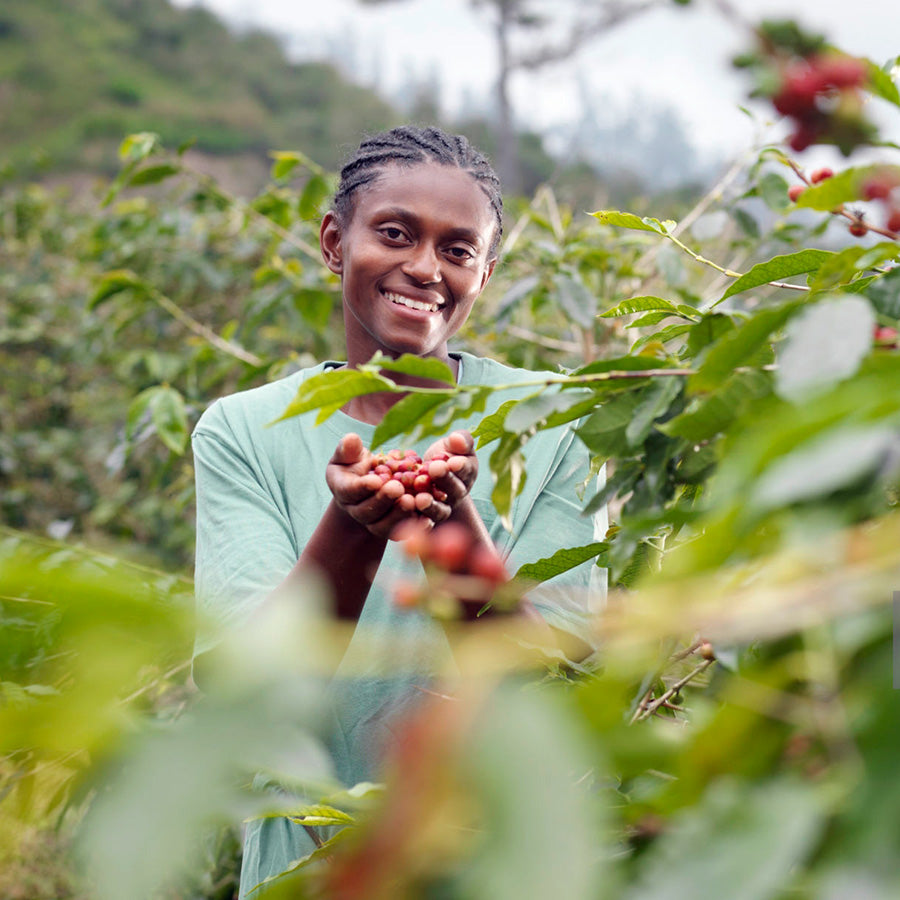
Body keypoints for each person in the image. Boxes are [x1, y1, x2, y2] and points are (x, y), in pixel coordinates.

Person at [191, 125, 607, 896]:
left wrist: (449, 528)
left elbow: (560, 665)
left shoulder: (554, 419)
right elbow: (245, 676)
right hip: (312, 867)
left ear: (485, 272)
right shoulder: (243, 430)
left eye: (458, 250)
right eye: (394, 234)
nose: (424, 268)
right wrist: (351, 526)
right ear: (333, 241)